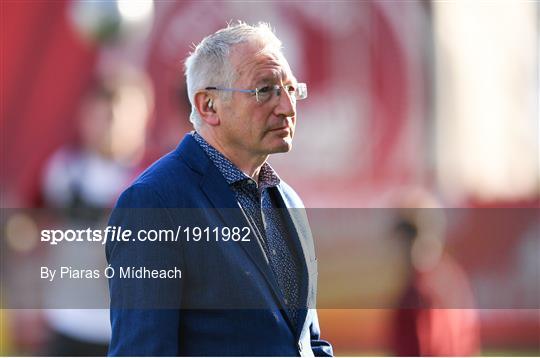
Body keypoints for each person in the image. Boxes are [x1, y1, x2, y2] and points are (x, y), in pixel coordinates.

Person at [106, 22, 333, 356]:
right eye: (264, 90)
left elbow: (306, 341)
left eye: (290, 89)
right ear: (208, 106)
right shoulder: (154, 202)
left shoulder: (286, 199)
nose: (286, 106)